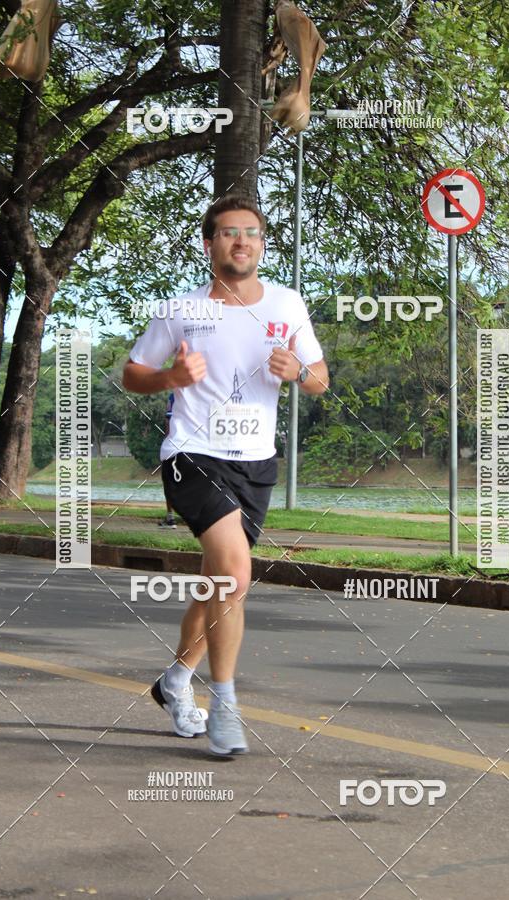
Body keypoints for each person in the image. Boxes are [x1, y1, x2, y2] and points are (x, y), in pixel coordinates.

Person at [122, 195, 328, 756]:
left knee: (218, 583)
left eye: (253, 233)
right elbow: (133, 373)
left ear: (262, 245)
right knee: (235, 576)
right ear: (210, 243)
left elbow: (320, 379)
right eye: (231, 232)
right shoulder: (180, 309)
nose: (243, 241)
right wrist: (170, 376)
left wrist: (299, 370)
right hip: (192, 455)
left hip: (256, 461)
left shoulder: (288, 303)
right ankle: (227, 706)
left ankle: (176, 680)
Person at [158, 392, 177, 528]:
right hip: (201, 447)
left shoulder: (174, 395)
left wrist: (168, 440)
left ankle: (170, 518)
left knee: (168, 482)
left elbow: (168, 420)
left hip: (175, 445)